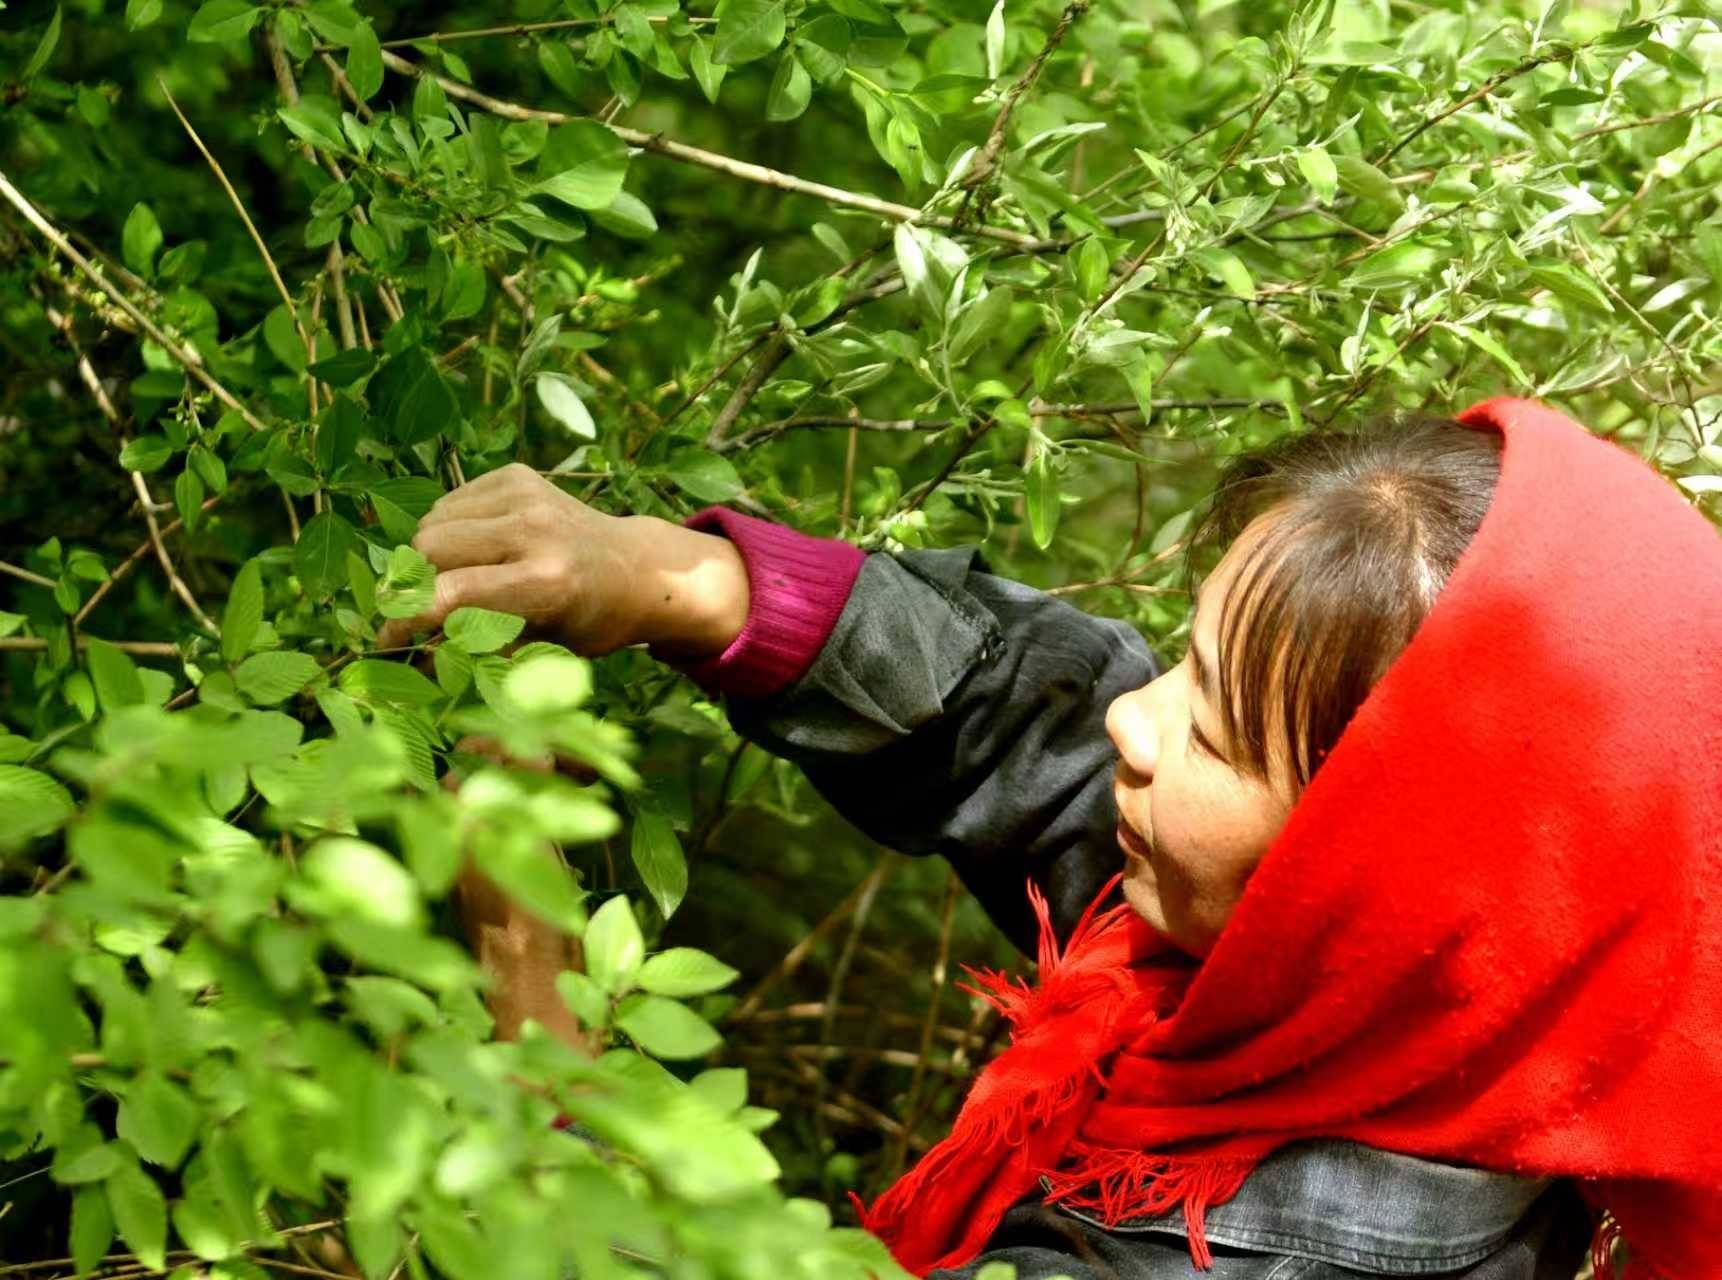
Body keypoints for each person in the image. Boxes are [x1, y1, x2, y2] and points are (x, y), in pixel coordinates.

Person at [379, 398, 1722, 1280]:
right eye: (1186, 660)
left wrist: (528, 984)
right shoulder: (1381, 1023)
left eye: (1214, 734)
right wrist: (666, 579)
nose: (1136, 721)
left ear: (1369, 894)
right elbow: (1030, 717)